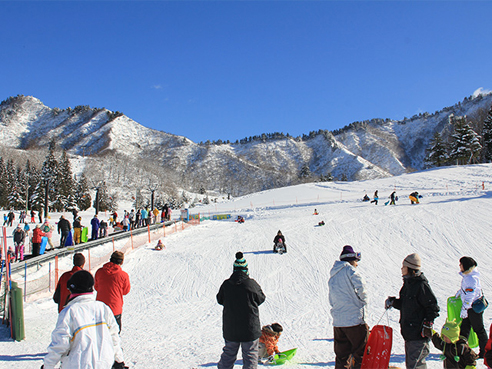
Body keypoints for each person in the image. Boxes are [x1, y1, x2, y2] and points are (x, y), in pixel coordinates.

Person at [42, 270, 126, 369]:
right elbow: (114, 336)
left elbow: (61, 343)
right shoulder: (102, 308)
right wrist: (119, 360)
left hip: (78, 364)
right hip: (104, 363)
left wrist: (48, 365)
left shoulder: (69, 312)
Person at [385, 253, 440, 369]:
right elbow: (406, 305)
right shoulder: (408, 284)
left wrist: (427, 324)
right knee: (411, 365)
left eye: (403, 267)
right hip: (409, 332)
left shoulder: (421, 285)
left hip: (418, 334)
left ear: (410, 268)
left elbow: (433, 307)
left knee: (416, 366)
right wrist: (393, 302)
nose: (401, 269)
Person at [217, 252, 266, 369]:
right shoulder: (251, 284)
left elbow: (220, 299)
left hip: (231, 328)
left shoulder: (226, 284)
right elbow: (261, 298)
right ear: (246, 269)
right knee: (250, 355)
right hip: (250, 328)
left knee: (229, 353)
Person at [328, 245, 369, 369]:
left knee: (342, 357)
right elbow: (362, 290)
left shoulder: (333, 275)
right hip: (355, 320)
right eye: (356, 261)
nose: (357, 264)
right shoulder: (351, 271)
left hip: (339, 323)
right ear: (351, 260)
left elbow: (331, 299)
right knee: (360, 354)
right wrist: (362, 303)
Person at [456, 256, 488, 358]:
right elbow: (466, 291)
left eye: (461, 264)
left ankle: (485, 352)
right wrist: (460, 292)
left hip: (473, 308)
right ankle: (462, 349)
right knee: (465, 328)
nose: (459, 266)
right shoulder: (468, 276)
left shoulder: (471, 278)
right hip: (469, 308)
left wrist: (465, 308)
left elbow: (470, 295)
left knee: (478, 329)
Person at [95, 251, 131, 333]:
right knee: (115, 333)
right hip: (115, 308)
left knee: (100, 333)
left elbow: (96, 287)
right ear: (121, 262)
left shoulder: (99, 272)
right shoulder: (123, 275)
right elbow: (126, 291)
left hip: (100, 308)